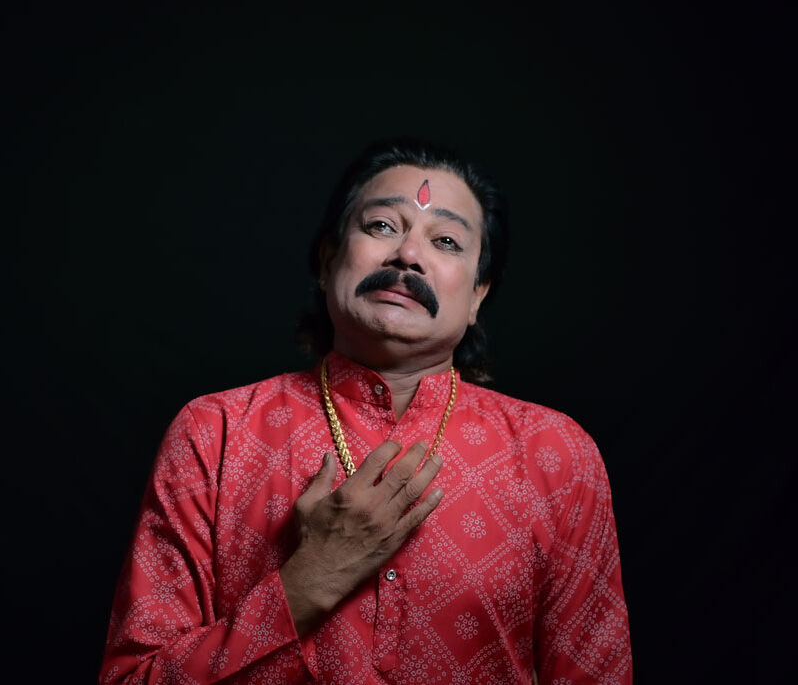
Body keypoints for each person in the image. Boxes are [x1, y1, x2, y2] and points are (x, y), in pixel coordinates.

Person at [100, 139, 632, 684]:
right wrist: (310, 579)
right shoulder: (215, 432)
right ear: (328, 259)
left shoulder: (555, 454)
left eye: (446, 241)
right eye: (381, 226)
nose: (408, 255)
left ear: (478, 293)